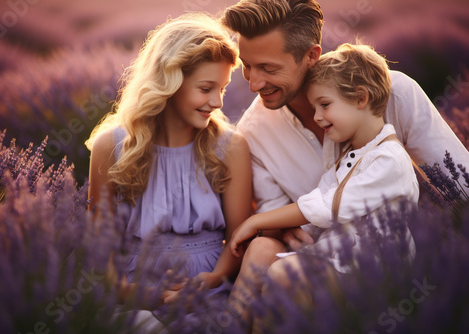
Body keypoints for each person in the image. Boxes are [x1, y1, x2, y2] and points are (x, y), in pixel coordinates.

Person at [220, 0, 469, 287]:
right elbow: (273, 216)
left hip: (385, 264)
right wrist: (282, 229)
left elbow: (459, 183)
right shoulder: (254, 128)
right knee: (263, 253)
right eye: (247, 66)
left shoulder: (394, 93)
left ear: (311, 55)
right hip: (316, 256)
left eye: (268, 68)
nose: (253, 84)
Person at [86, 12, 252, 327]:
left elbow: (238, 241)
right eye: (206, 88)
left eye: (223, 89)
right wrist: (137, 293)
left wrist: (214, 278)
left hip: (210, 294)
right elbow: (100, 250)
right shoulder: (111, 145)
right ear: (169, 81)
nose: (217, 102)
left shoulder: (231, 147)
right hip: (132, 294)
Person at [229, 42, 418, 299]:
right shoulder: (350, 155)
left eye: (324, 105)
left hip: (373, 272)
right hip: (335, 258)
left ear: (361, 98)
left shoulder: (389, 160)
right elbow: (318, 205)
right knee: (260, 253)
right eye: (315, 108)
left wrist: (256, 221)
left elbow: (329, 207)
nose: (317, 117)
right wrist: (284, 232)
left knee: (282, 274)